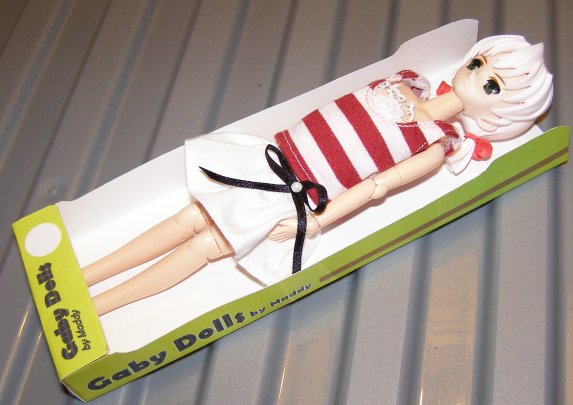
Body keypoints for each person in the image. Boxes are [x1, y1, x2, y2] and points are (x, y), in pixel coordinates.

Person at [83, 35, 553, 316]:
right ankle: (87, 275)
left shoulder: (432, 146)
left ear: (502, 112)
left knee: (207, 243)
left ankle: (102, 304)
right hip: (273, 157)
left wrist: (315, 221)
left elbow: (375, 187)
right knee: (191, 217)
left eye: (493, 85)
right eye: (479, 63)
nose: (476, 74)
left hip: (295, 194)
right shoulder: (406, 81)